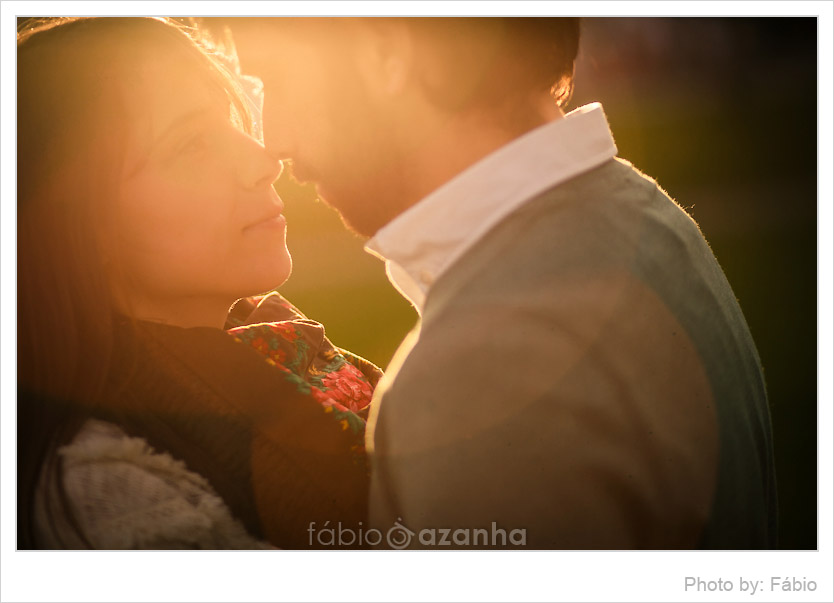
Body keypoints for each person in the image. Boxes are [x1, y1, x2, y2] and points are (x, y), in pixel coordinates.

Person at [225, 17, 778, 549]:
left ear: (385, 52)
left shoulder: (472, 377)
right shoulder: (647, 217)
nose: (274, 138)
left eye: (277, 77)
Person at [17, 16, 381, 549]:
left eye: (231, 123)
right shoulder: (109, 490)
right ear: (78, 226)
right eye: (190, 145)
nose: (263, 161)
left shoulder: (282, 345)